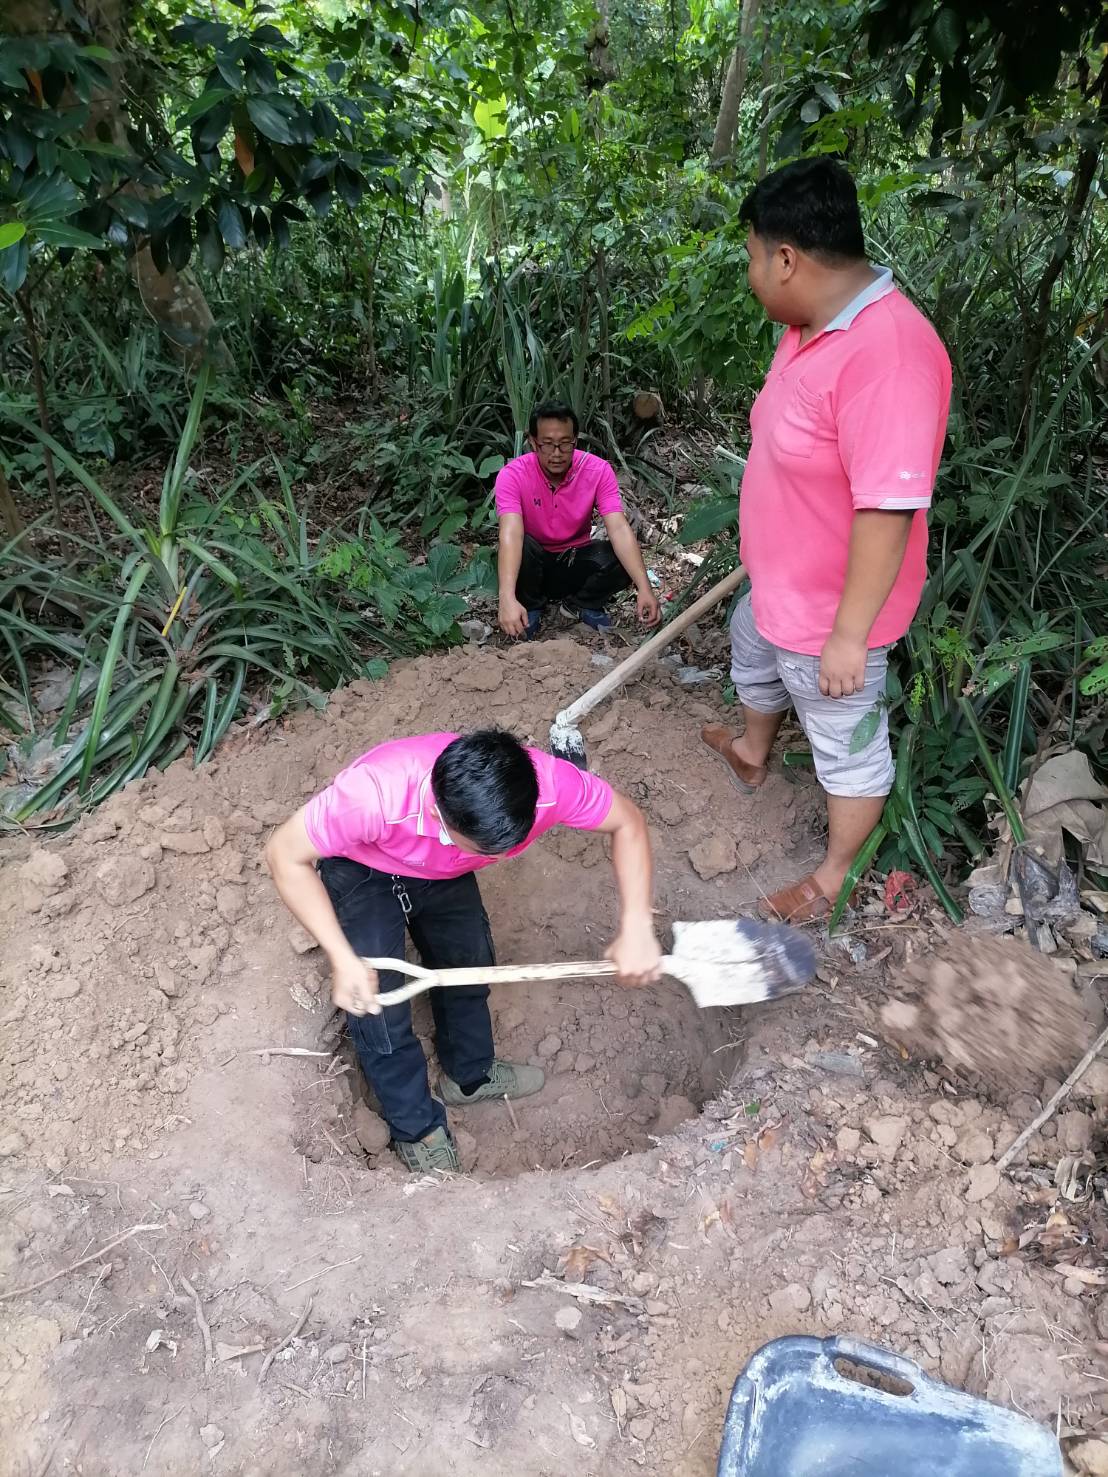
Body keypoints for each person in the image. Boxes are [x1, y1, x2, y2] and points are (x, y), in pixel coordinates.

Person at [701, 158, 951, 923]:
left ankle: (835, 875)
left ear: (786, 259)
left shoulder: (891, 356)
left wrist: (849, 635)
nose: (751, 275)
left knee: (845, 740)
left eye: (752, 257)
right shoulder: (808, 327)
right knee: (751, 646)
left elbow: (887, 510)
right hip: (778, 586)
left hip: (829, 615)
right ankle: (753, 752)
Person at [265, 729, 661, 1173]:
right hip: (363, 868)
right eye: (488, 849)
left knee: (470, 964)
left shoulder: (553, 785)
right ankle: (416, 1127)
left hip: (443, 869)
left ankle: (470, 1076)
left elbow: (628, 822)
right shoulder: (372, 796)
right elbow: (284, 854)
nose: (503, 858)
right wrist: (342, 957)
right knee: (377, 1007)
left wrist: (637, 925)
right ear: (439, 815)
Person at [495, 401, 661, 639]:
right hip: (532, 564)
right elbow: (510, 533)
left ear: (575, 440)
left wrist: (644, 588)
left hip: (573, 559)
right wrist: (506, 597)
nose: (556, 454)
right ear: (532, 442)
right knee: (520, 547)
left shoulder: (597, 470)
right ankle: (530, 606)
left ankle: (581, 603)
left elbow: (618, 528)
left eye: (565, 444)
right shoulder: (512, 475)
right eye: (547, 444)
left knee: (619, 558)